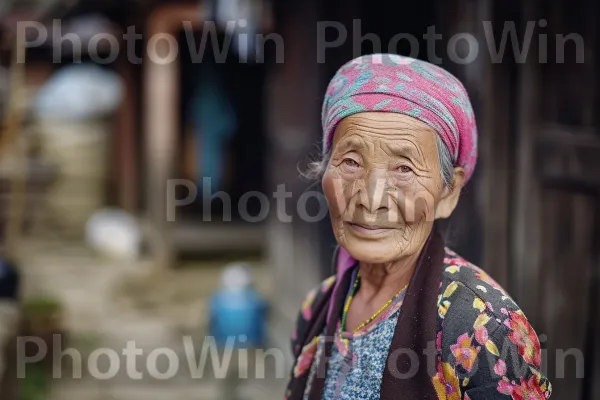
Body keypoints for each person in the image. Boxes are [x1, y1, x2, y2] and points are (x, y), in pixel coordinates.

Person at [284, 54, 552, 400]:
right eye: (350, 162)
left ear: (448, 192)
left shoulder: (486, 329)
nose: (370, 198)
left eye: (404, 169)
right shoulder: (317, 307)